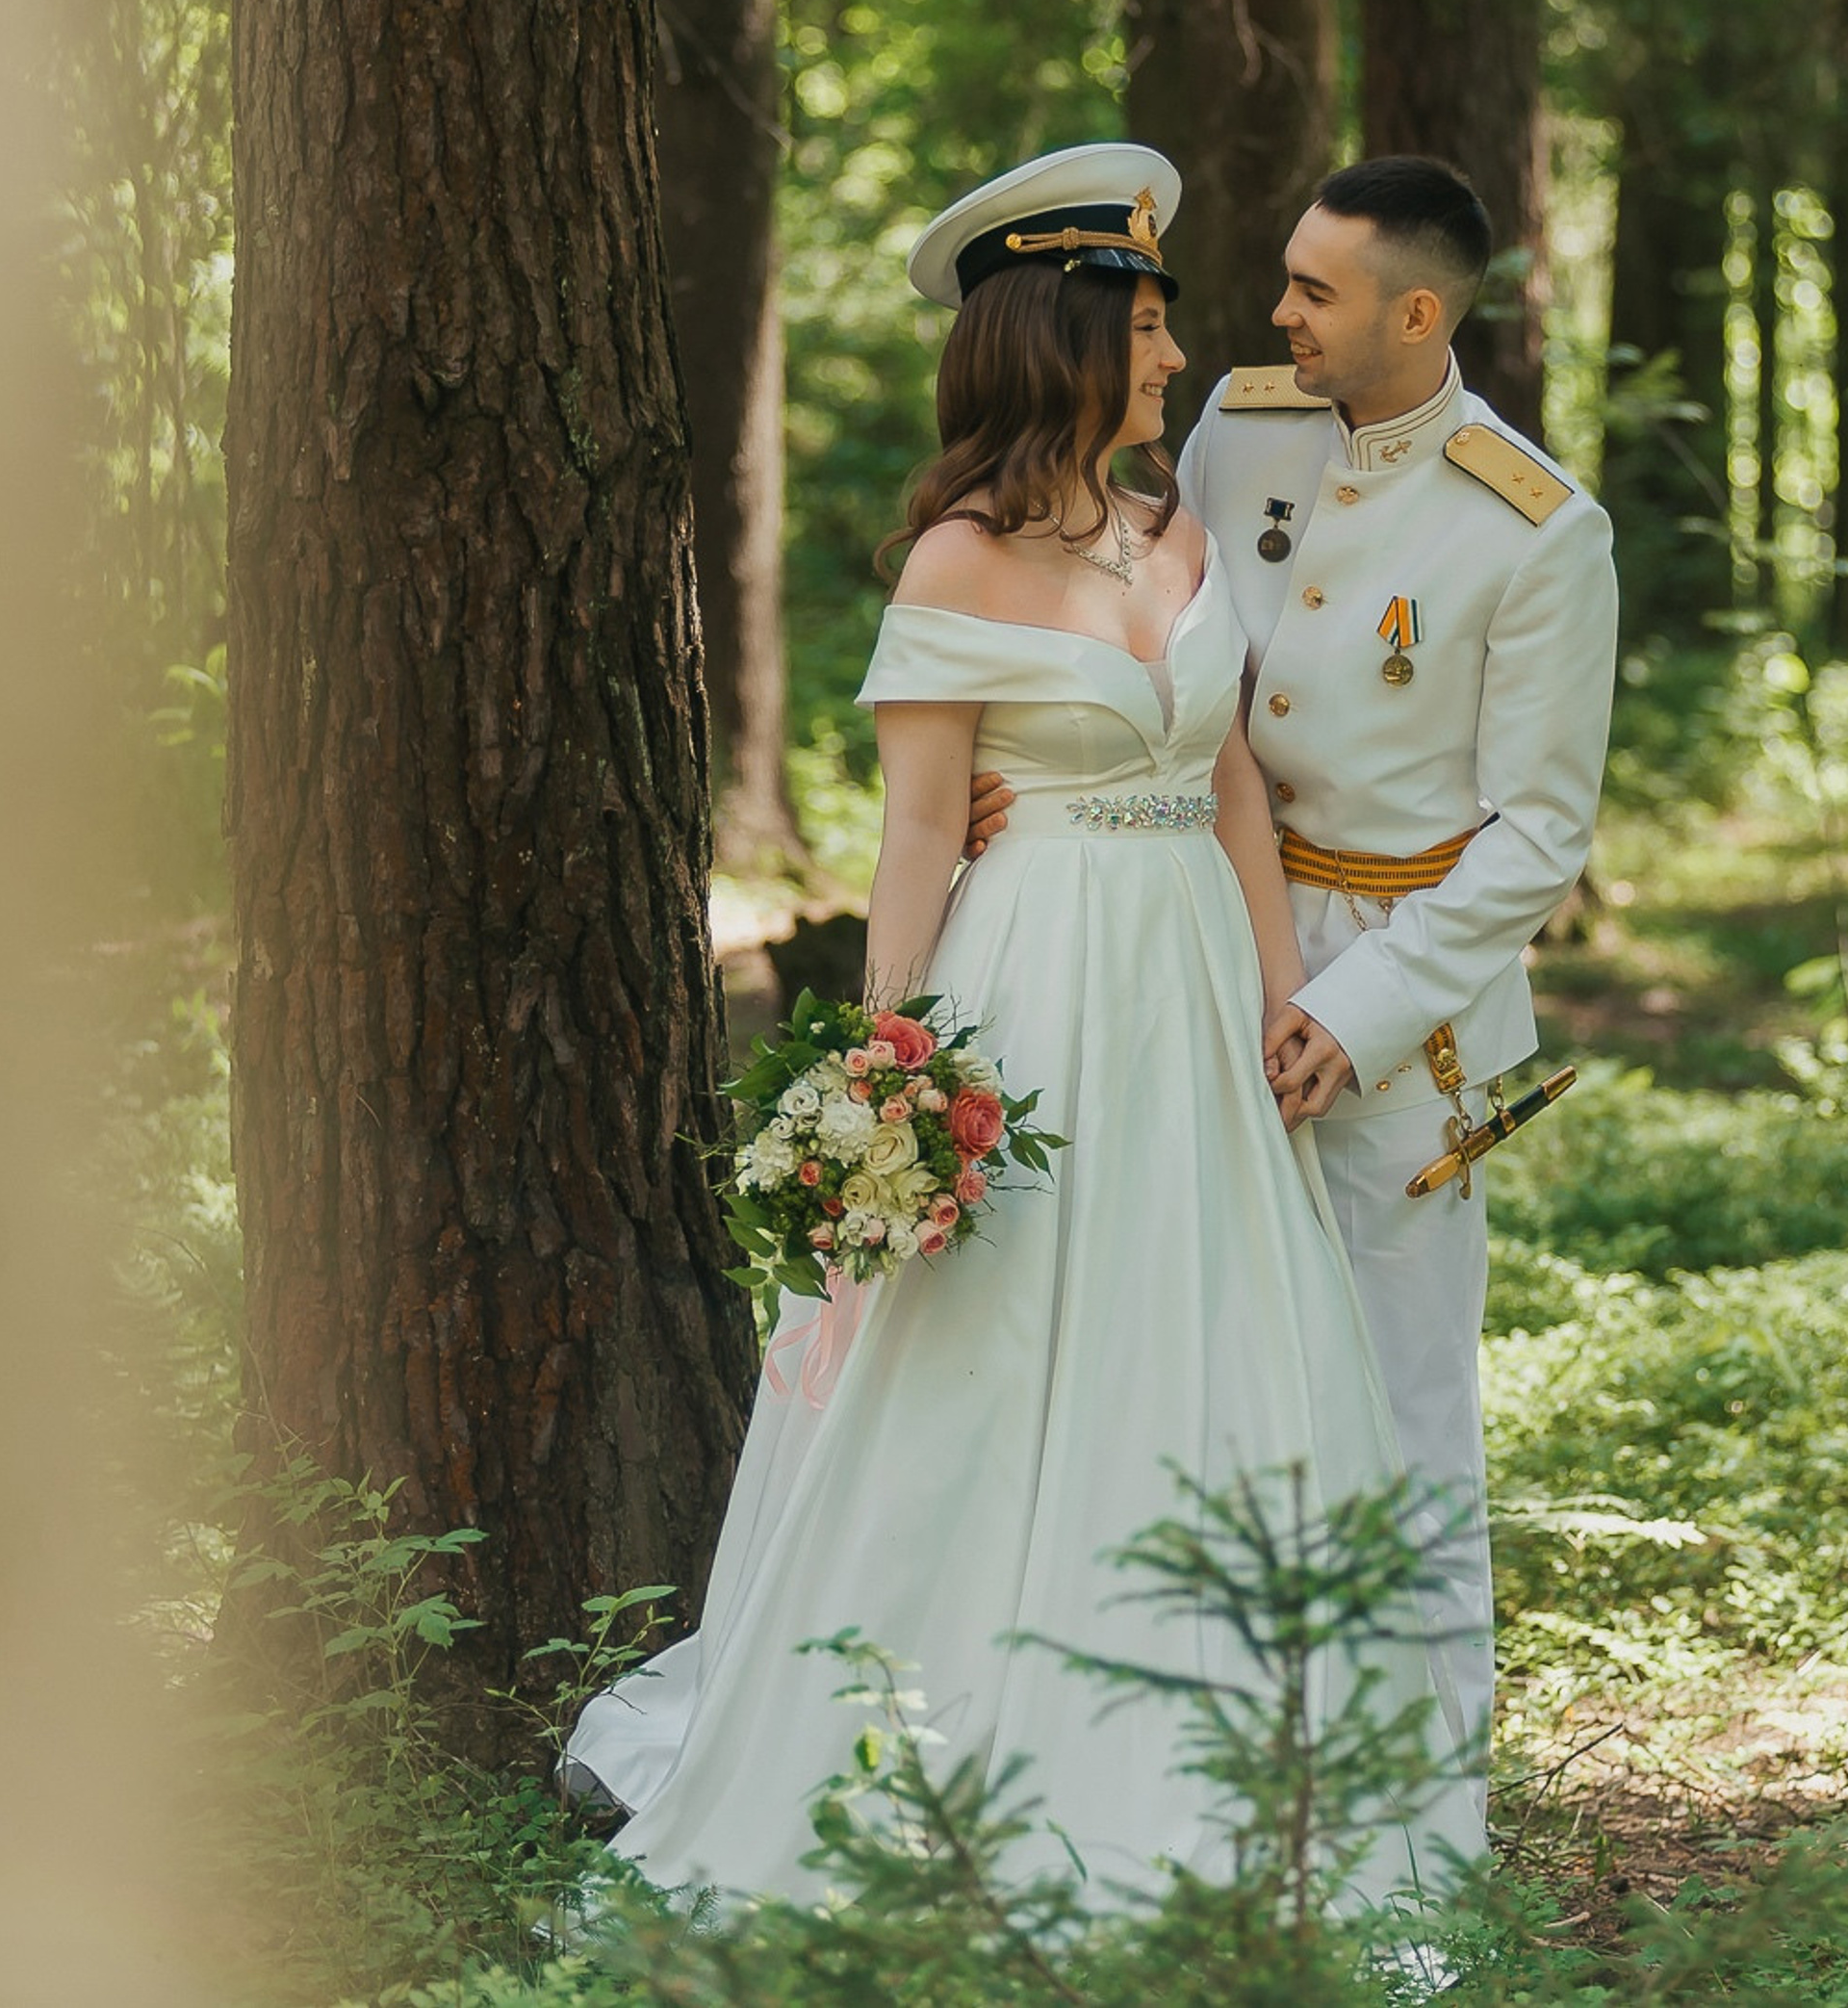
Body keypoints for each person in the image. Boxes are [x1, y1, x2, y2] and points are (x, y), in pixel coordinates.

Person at [564, 143, 1478, 1910]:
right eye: (1145, 326)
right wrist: (888, 1081)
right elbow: (916, 836)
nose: (1175, 357)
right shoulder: (955, 570)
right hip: (1035, 988)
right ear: (1063, 340)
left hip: (1198, 996)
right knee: (992, 1353)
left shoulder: (1183, 535)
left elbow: (1231, 792)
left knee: (1207, 1336)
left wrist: (1286, 1011)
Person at [967, 156, 1619, 1863]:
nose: (1277, 315)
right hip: (1196, 937)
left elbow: (1541, 832)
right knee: (1199, 1362)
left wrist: (1371, 1010)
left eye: (1316, 292)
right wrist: (1021, 775)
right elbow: (1133, 618)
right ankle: (1211, 1775)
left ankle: (1416, 1829)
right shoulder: (1243, 429)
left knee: (1402, 1410)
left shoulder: (1539, 525)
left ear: (1419, 311)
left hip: (1409, 1001)